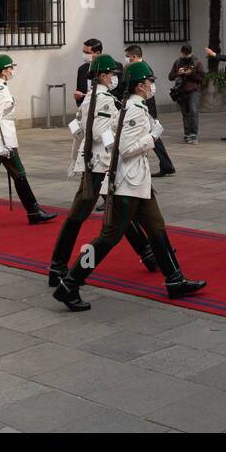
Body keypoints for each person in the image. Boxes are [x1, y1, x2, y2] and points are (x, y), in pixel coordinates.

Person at [52, 60, 206, 310]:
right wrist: (152, 136)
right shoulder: (133, 110)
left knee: (157, 228)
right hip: (127, 183)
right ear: (140, 85)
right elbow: (126, 149)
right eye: (150, 82)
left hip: (139, 181)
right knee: (107, 239)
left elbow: (111, 138)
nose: (152, 86)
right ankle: (70, 283)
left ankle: (175, 279)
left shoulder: (130, 107)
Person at [48, 53, 157, 287]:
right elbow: (97, 132)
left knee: (119, 214)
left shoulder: (90, 97)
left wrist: (77, 155)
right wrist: (115, 144)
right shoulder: (104, 100)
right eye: (112, 75)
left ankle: (148, 254)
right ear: (103, 76)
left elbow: (76, 127)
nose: (114, 79)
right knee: (82, 216)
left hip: (94, 162)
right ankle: (58, 267)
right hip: (101, 164)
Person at [0, 54, 57, 228]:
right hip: (4, 143)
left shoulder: (1, 87)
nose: (12, 71)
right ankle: (34, 211)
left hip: (2, 141)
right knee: (19, 174)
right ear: (4, 70)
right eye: (10, 68)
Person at [121, 46, 175, 176]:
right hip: (140, 106)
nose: (126, 59)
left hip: (145, 107)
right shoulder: (136, 67)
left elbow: (151, 91)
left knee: (154, 137)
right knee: (153, 137)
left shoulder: (144, 68)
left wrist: (148, 110)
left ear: (133, 56)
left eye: (128, 56)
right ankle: (167, 165)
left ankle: (167, 165)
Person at [169, 45, 203, 143]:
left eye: (186, 54)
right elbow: (170, 76)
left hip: (194, 90)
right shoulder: (178, 62)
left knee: (193, 111)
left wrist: (191, 73)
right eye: (184, 53)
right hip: (181, 91)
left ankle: (193, 135)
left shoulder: (197, 62)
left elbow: (201, 78)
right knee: (185, 114)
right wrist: (178, 73)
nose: (184, 55)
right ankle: (187, 134)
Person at [73, 38, 103, 106]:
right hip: (85, 109)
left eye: (87, 53)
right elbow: (79, 90)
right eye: (83, 52)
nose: (84, 55)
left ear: (98, 53)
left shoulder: (109, 69)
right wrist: (77, 97)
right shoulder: (82, 69)